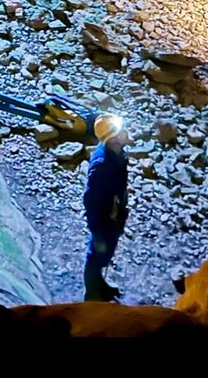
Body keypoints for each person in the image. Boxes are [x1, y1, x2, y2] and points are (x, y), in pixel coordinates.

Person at [83, 113, 129, 301]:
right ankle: (92, 294)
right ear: (113, 139)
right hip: (103, 220)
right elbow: (91, 199)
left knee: (106, 252)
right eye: (120, 131)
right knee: (97, 255)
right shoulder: (101, 167)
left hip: (113, 213)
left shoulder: (117, 152)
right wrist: (97, 230)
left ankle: (100, 284)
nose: (125, 132)